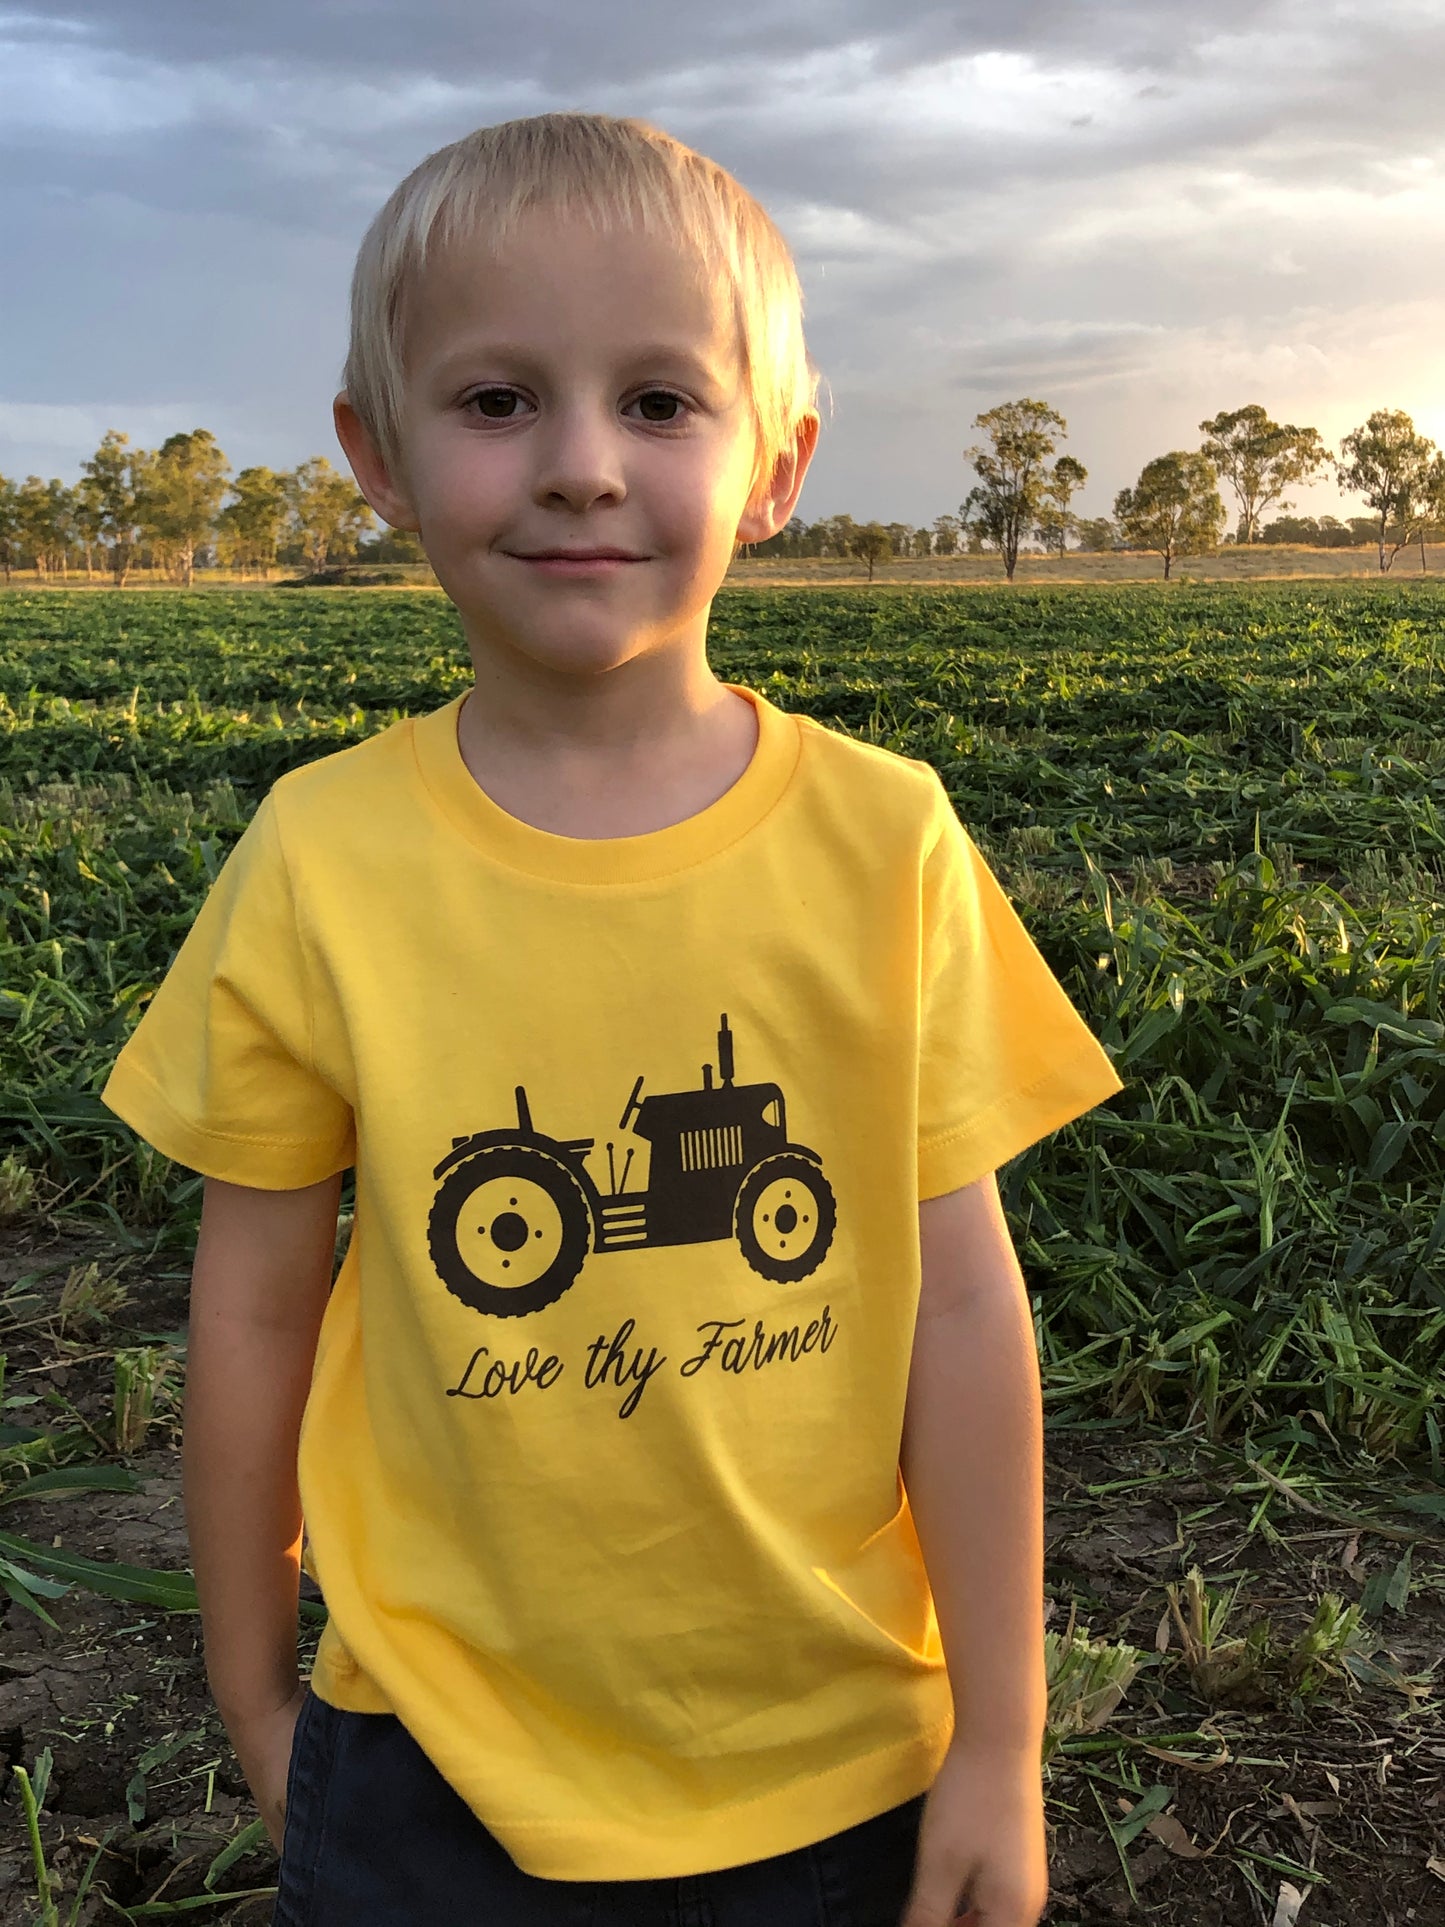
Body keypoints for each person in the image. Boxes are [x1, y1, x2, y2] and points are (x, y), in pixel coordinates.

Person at [102, 112, 1123, 1927]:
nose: (580, 467)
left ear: (775, 465)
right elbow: (252, 1306)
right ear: (379, 456)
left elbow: (961, 1306)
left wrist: (999, 1738)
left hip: (835, 1758)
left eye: (659, 402)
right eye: (498, 401)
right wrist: (256, 1690)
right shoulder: (321, 858)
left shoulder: (883, 841)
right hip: (429, 1762)